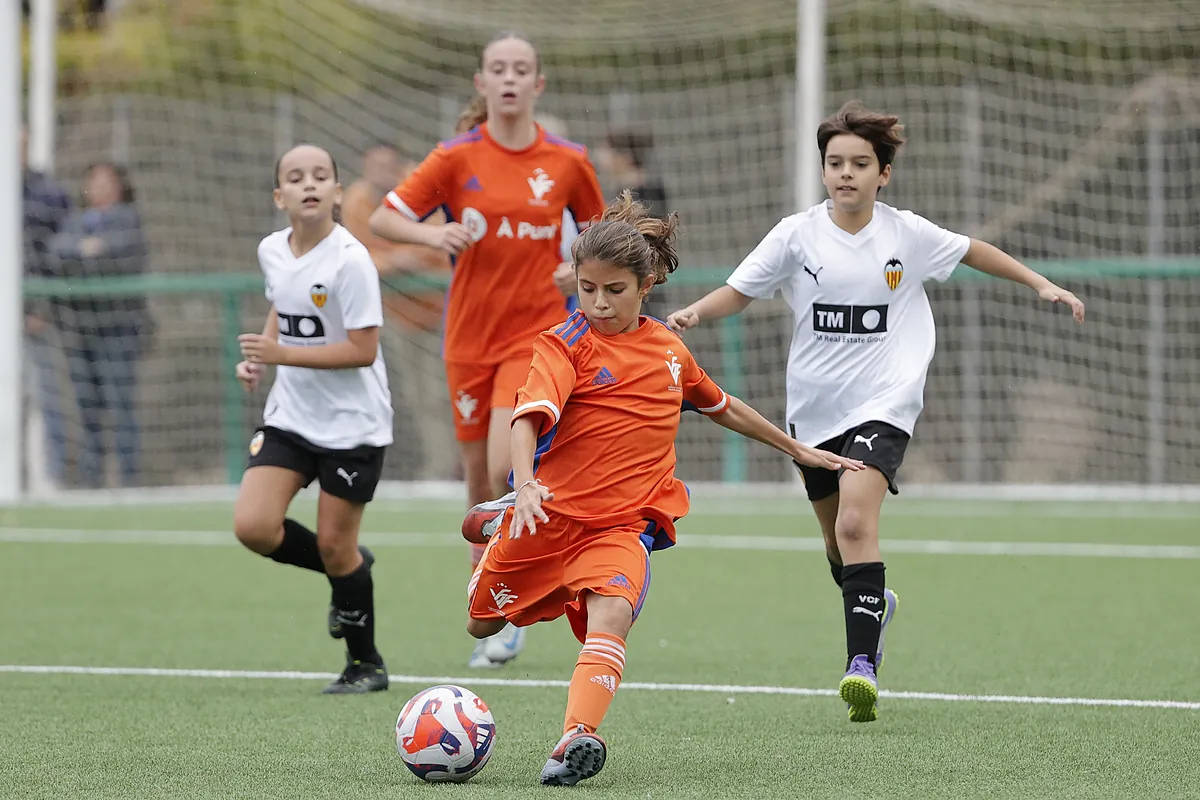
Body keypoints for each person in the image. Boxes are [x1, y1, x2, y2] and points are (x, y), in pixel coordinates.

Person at [667, 100, 1087, 723]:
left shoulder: (906, 235)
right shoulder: (795, 234)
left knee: (859, 525)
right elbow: (741, 290)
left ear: (882, 173)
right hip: (813, 410)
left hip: (886, 401)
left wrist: (1040, 283)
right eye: (835, 162)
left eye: (859, 163)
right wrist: (695, 313)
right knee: (838, 546)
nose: (845, 173)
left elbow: (973, 250)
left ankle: (860, 667)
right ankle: (873, 602)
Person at [460, 192, 865, 786]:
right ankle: (499, 528)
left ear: (646, 283)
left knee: (613, 614)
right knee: (481, 626)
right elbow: (526, 418)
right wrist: (523, 489)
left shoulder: (668, 351)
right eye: (587, 288)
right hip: (545, 518)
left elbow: (722, 405)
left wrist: (797, 449)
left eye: (614, 291)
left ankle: (577, 736)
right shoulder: (562, 344)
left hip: (621, 526)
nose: (598, 303)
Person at [370, 30, 606, 669]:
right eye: (497, 69)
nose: (508, 78)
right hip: (467, 338)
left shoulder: (567, 160)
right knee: (477, 484)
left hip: (536, 339)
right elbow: (382, 219)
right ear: (481, 83)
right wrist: (435, 232)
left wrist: (577, 268)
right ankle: (489, 596)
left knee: (509, 463)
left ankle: (513, 606)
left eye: (520, 68)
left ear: (538, 84)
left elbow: (605, 234)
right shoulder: (454, 157)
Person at [231, 144, 393, 694]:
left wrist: (281, 355)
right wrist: (260, 354)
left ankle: (365, 664)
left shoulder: (351, 260)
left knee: (333, 545)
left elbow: (363, 350)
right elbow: (284, 300)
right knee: (253, 527)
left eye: (321, 176)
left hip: (354, 425)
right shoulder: (272, 250)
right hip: (292, 416)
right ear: (280, 197)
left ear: (337, 192)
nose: (309, 185)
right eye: (296, 178)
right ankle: (350, 570)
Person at [341, 142, 456, 480]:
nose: (381, 174)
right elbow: (357, 254)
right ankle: (439, 465)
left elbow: (437, 239)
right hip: (400, 315)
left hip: (443, 310)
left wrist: (409, 251)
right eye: (374, 166)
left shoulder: (422, 187)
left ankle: (459, 464)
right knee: (417, 397)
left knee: (444, 394)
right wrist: (392, 261)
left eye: (388, 166)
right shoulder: (357, 202)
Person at [50, 162, 151, 488]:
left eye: (107, 181)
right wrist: (87, 252)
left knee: (121, 407)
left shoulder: (127, 220)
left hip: (118, 329)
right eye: (93, 181)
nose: (100, 187)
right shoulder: (76, 223)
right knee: (86, 410)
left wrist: (89, 257)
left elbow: (121, 258)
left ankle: (128, 481)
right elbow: (58, 255)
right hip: (81, 328)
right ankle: (91, 484)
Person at [21, 124, 72, 489]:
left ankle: (50, 477)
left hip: (32, 315)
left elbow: (58, 256)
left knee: (46, 396)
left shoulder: (47, 194)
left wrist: (40, 306)